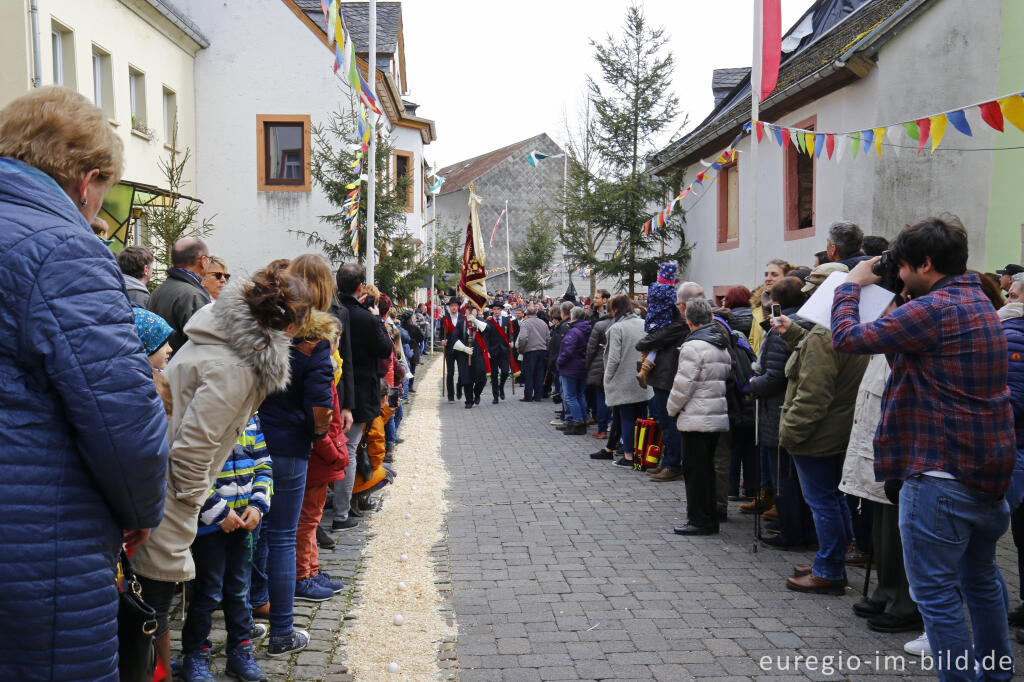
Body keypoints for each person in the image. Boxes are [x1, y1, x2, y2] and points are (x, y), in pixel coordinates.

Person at [0, 86, 169, 682]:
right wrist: (142, 507)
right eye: (105, 195)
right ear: (87, 180)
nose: (100, 212)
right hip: (37, 547)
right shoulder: (64, 249)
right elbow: (124, 419)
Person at [832, 216, 1015, 680]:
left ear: (927, 264)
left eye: (905, 266)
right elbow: (908, 351)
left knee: (936, 595)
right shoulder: (976, 300)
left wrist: (850, 285)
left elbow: (847, 338)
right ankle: (995, 672)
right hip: (986, 474)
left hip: (938, 477)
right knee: (982, 581)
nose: (900, 272)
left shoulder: (933, 310)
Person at [132, 261, 310, 673]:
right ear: (286, 322)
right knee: (154, 604)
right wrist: (207, 508)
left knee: (158, 603)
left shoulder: (222, 336)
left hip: (164, 481)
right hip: (174, 496)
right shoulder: (234, 365)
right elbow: (193, 452)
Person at [773, 263, 868, 594]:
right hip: (836, 429)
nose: (809, 298)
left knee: (824, 502)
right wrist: (794, 334)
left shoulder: (824, 335)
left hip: (818, 433)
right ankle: (831, 561)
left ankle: (829, 569)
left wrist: (790, 434)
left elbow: (813, 393)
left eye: (813, 292)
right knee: (833, 500)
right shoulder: (845, 327)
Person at [183, 413, 273, 682]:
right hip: (211, 525)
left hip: (244, 523)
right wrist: (218, 512)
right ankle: (196, 654)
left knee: (240, 590)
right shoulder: (204, 415)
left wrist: (257, 505)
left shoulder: (252, 418)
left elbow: (264, 464)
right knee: (208, 591)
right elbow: (191, 469)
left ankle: (241, 651)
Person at [839, 352, 922, 633]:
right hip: (877, 453)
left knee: (898, 533)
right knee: (882, 529)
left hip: (896, 456)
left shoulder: (901, 350)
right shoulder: (880, 351)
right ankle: (887, 592)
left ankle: (904, 603)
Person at [747, 277, 816, 548]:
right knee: (795, 477)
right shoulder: (810, 322)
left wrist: (754, 385)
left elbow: (776, 375)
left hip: (779, 409)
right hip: (792, 407)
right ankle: (798, 527)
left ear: (776, 302)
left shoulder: (782, 328)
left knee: (784, 477)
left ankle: (792, 532)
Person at [332, 264, 394, 531]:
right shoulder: (365, 318)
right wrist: (376, 320)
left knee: (341, 448)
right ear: (360, 288)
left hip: (332, 389)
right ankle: (341, 512)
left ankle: (344, 502)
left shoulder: (330, 311)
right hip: (358, 394)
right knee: (349, 448)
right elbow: (385, 348)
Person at [666, 298, 732, 535]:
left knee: (695, 473)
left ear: (689, 319)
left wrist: (671, 409)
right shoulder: (720, 343)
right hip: (715, 413)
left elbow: (684, 385)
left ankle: (699, 520)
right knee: (707, 471)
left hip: (697, 416)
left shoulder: (693, 346)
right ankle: (708, 516)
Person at [296, 313, 348, 598]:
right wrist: (336, 453)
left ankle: (312, 569)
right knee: (308, 519)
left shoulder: (324, 366)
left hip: (323, 452)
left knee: (312, 518)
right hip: (320, 455)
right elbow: (320, 420)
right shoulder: (317, 367)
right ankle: (303, 574)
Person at [637, 282, 704, 481]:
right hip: (665, 376)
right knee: (665, 422)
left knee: (670, 423)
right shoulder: (676, 321)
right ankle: (669, 461)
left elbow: (644, 342)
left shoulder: (680, 324)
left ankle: (673, 464)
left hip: (669, 377)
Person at [602, 295, 652, 467]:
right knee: (641, 419)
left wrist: (607, 378)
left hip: (623, 380)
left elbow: (614, 358)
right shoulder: (643, 323)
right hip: (643, 378)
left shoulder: (617, 328)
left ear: (615, 309)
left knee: (627, 418)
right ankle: (641, 454)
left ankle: (629, 456)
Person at [149, 236, 212, 352]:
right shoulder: (193, 296)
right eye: (209, 259)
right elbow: (205, 345)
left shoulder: (157, 291)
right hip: (186, 368)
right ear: (203, 261)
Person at [557, 306, 593, 434]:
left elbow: (567, 350)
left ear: (572, 316)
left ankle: (578, 422)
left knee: (571, 396)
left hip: (571, 367)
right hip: (582, 365)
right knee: (579, 395)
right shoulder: (587, 329)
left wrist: (559, 362)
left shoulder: (574, 331)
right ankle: (583, 419)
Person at [749, 259, 792, 355]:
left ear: (786, 277)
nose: (768, 278)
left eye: (774, 275)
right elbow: (752, 339)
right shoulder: (758, 307)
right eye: (766, 274)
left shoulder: (790, 305)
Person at [484, 300, 518, 403]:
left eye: (498, 309)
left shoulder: (507, 321)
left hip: (504, 351)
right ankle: (495, 396)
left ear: (501, 310)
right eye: (494, 309)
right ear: (492, 310)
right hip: (493, 351)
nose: (496, 311)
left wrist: (512, 342)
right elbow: (485, 338)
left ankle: (501, 387)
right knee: (494, 375)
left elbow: (511, 334)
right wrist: (487, 351)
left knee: (504, 372)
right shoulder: (488, 322)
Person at [516, 304, 549, 401]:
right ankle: (538, 395)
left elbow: (523, 338)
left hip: (530, 351)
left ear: (526, 313)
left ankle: (528, 396)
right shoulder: (543, 323)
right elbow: (548, 338)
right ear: (536, 313)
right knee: (539, 374)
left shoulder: (525, 323)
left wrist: (521, 349)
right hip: (542, 350)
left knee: (529, 374)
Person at [441, 298, 465, 402]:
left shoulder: (463, 318)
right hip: (450, 349)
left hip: (460, 349)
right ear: (449, 307)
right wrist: (442, 340)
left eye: (455, 305)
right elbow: (441, 333)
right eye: (452, 305)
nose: (454, 307)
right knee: (450, 372)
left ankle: (459, 387)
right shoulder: (445, 318)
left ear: (458, 306)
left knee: (462, 372)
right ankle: (451, 395)